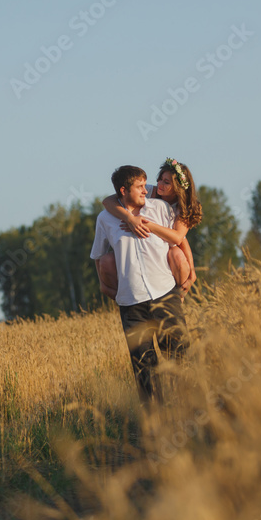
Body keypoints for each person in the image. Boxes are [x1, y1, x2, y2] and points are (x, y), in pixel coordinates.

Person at [91, 165, 190, 403]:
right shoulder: (105, 219)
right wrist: (105, 286)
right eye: (139, 187)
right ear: (123, 190)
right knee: (145, 369)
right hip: (131, 303)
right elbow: (99, 255)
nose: (146, 190)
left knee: (180, 357)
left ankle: (191, 410)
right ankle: (155, 427)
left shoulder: (161, 208)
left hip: (165, 294)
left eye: (146, 184)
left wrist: (190, 267)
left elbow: (177, 240)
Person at [98, 158, 203, 298]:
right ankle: (126, 295)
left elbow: (179, 238)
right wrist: (130, 219)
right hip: (148, 246)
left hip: (169, 248)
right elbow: (108, 201)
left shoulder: (184, 208)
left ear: (178, 187)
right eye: (160, 179)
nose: (159, 184)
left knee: (176, 254)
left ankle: (178, 296)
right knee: (109, 259)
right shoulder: (150, 191)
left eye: (166, 182)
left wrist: (145, 224)